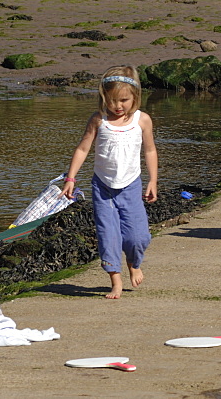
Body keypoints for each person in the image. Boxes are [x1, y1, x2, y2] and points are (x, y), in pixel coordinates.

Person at [62, 66, 158, 299]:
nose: (118, 106)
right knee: (108, 235)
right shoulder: (99, 120)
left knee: (138, 236)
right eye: (112, 100)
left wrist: (153, 180)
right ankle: (115, 280)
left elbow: (150, 150)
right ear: (103, 97)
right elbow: (83, 148)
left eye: (124, 100)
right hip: (102, 187)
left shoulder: (142, 120)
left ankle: (134, 263)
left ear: (135, 96)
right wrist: (71, 178)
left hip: (131, 185)